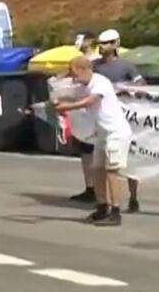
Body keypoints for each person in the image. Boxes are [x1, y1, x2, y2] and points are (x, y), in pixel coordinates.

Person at [56, 56, 133, 226]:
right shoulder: (85, 86)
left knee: (112, 171)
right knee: (97, 170)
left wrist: (67, 107)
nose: (74, 79)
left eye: (75, 74)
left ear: (83, 70)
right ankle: (101, 207)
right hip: (102, 134)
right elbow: (70, 95)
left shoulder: (100, 83)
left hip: (116, 132)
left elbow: (92, 101)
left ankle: (116, 211)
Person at [90, 28, 145, 212]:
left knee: (130, 160)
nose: (102, 47)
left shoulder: (126, 66)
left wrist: (124, 87)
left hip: (126, 117)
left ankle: (133, 197)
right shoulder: (95, 66)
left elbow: (142, 86)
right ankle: (105, 200)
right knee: (104, 163)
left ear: (115, 44)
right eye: (100, 44)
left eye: (106, 43)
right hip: (105, 118)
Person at [69, 32, 102, 204]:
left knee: (102, 158)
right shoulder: (80, 61)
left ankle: (104, 196)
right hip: (84, 118)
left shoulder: (96, 65)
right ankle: (90, 188)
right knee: (86, 153)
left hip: (99, 118)